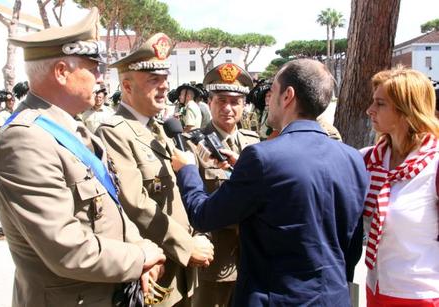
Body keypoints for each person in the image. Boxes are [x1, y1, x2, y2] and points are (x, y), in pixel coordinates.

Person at [0, 8, 165, 307]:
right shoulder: (24, 141)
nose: (100, 77)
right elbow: (66, 249)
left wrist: (139, 247)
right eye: (93, 67)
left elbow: (112, 208)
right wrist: (139, 257)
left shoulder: (73, 128)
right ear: (61, 72)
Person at [171, 59, 368, 306]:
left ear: (288, 96)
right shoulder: (353, 159)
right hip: (333, 296)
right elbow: (352, 245)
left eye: (272, 92)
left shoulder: (262, 156)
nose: (267, 100)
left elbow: (203, 215)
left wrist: (188, 169)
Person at [96, 33, 214, 307]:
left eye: (165, 79)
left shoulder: (162, 130)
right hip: (153, 267)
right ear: (126, 86)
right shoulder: (115, 133)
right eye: (153, 80)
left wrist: (197, 235)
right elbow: (135, 203)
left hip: (181, 269)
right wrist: (187, 245)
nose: (164, 88)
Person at [363, 67, 439, 306]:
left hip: (420, 294)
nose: (370, 110)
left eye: (380, 104)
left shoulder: (434, 165)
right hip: (375, 290)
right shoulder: (369, 160)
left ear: (407, 110)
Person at [187, 63, 260, 307]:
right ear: (209, 103)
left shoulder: (254, 143)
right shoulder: (192, 145)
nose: (228, 108)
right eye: (221, 100)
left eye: (235, 101)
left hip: (252, 258)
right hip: (214, 260)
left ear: (244, 105)